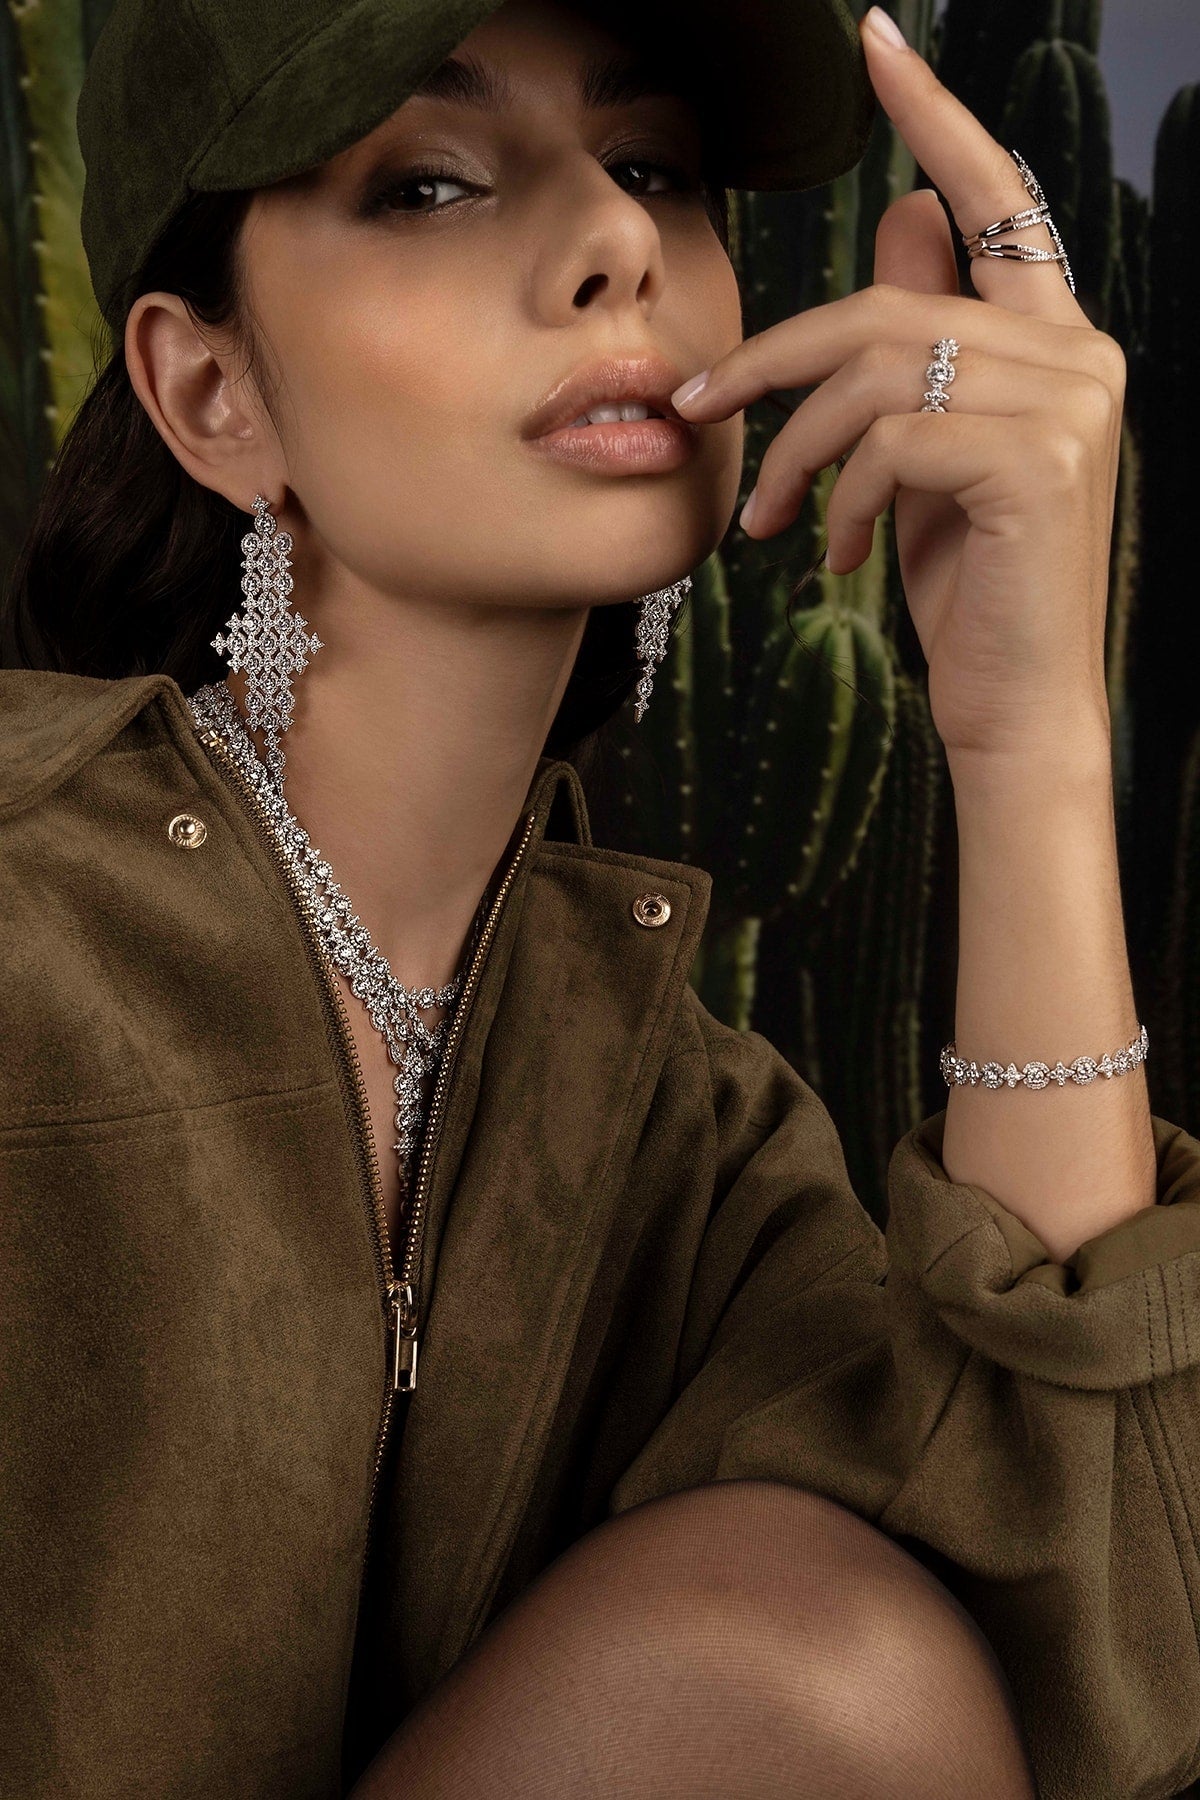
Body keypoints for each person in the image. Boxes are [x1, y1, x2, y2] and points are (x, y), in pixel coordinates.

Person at [2, 0, 1198, 1796]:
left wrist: (1030, 743)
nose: (620, 240)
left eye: (653, 169)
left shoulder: (685, 1133)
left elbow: (1080, 1646)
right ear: (207, 391)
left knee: (838, 1657)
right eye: (426, 184)